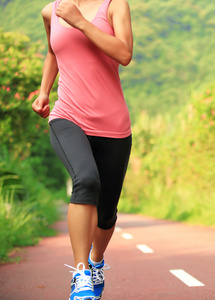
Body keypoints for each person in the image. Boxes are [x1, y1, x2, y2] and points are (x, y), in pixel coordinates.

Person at [32, 0, 133, 299]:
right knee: (86, 180)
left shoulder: (114, 6)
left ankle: (96, 260)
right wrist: (43, 92)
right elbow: (53, 51)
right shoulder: (51, 11)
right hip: (68, 116)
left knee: (106, 214)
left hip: (113, 124)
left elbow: (124, 54)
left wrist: (80, 23)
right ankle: (81, 274)